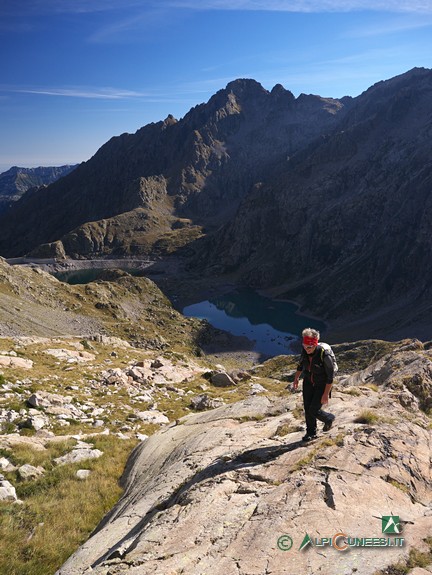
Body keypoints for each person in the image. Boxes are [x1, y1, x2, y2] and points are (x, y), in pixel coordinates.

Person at [292, 328, 335, 441]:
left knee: (314, 410)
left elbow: (330, 377)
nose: (307, 349)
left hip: (321, 384)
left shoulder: (324, 355)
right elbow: (301, 365)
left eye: (309, 347)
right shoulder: (305, 350)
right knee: (307, 408)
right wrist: (296, 378)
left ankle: (329, 418)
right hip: (308, 382)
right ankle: (311, 432)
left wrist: (326, 394)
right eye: (304, 345)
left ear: (315, 344)